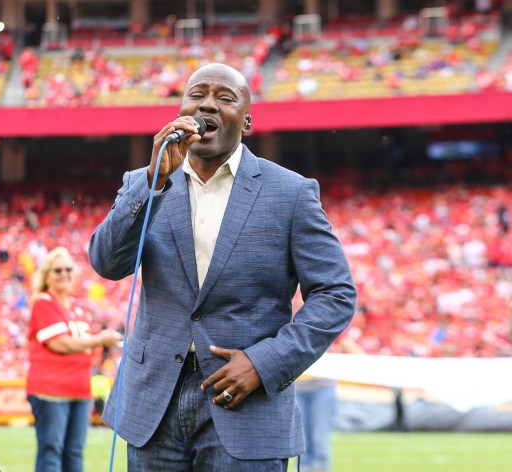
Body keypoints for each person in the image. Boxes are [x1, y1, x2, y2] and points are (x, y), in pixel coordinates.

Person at [88, 63, 356, 470]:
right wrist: (153, 183)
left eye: (225, 98)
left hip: (245, 402)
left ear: (246, 122)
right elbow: (107, 263)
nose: (207, 104)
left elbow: (336, 294)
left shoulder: (291, 193)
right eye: (197, 95)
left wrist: (266, 363)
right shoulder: (145, 182)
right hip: (153, 406)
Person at [25, 246, 123, 472]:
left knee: (75, 452)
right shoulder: (43, 303)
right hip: (50, 390)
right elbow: (61, 343)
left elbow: (86, 349)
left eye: (68, 269)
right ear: (47, 274)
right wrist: (98, 339)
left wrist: (98, 343)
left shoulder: (78, 308)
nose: (64, 274)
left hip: (80, 389)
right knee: (51, 450)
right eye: (57, 270)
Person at [296, 334, 364, 472]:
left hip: (323, 389)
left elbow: (358, 355)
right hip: (297, 390)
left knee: (319, 437)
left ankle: (318, 468)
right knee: (300, 439)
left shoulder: (325, 327)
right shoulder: (293, 326)